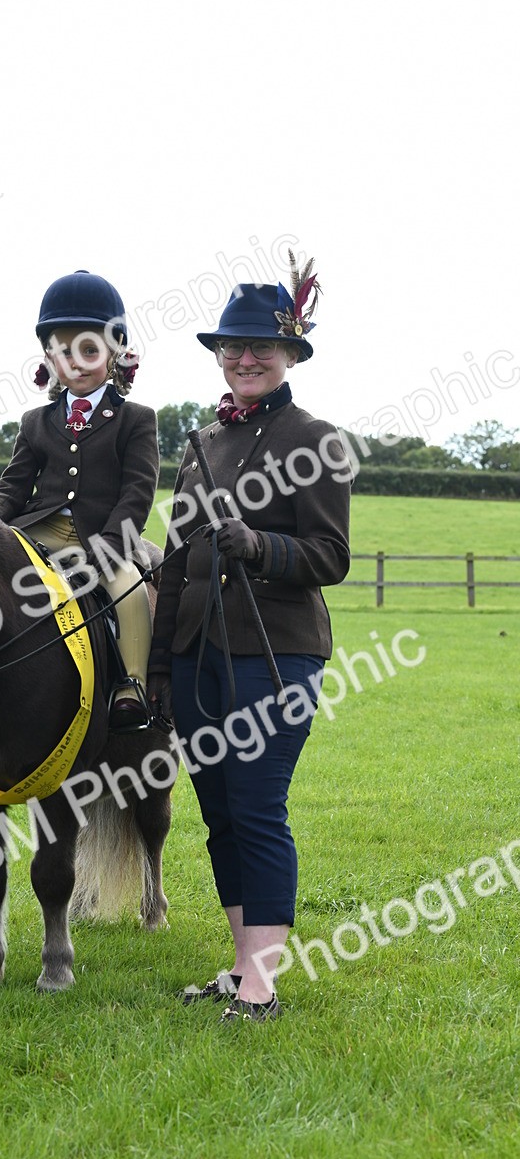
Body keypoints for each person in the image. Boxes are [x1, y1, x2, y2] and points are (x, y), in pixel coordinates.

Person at [147, 257, 351, 1021]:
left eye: (261, 346)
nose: (245, 358)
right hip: (199, 657)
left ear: (291, 353)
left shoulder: (318, 440)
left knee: (259, 806)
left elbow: (331, 557)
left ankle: (264, 985)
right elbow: (172, 564)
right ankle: (240, 968)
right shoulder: (199, 443)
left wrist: (259, 545)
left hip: (277, 655)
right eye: (232, 347)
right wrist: (160, 665)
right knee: (221, 811)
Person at [0, 270, 159, 730]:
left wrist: (110, 548)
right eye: (63, 352)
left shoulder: (136, 420)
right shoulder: (35, 421)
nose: (76, 363)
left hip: (104, 534)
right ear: (48, 356)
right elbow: (13, 486)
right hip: (39, 529)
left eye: (89, 350)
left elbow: (137, 494)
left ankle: (131, 686)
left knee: (130, 591)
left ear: (115, 350)